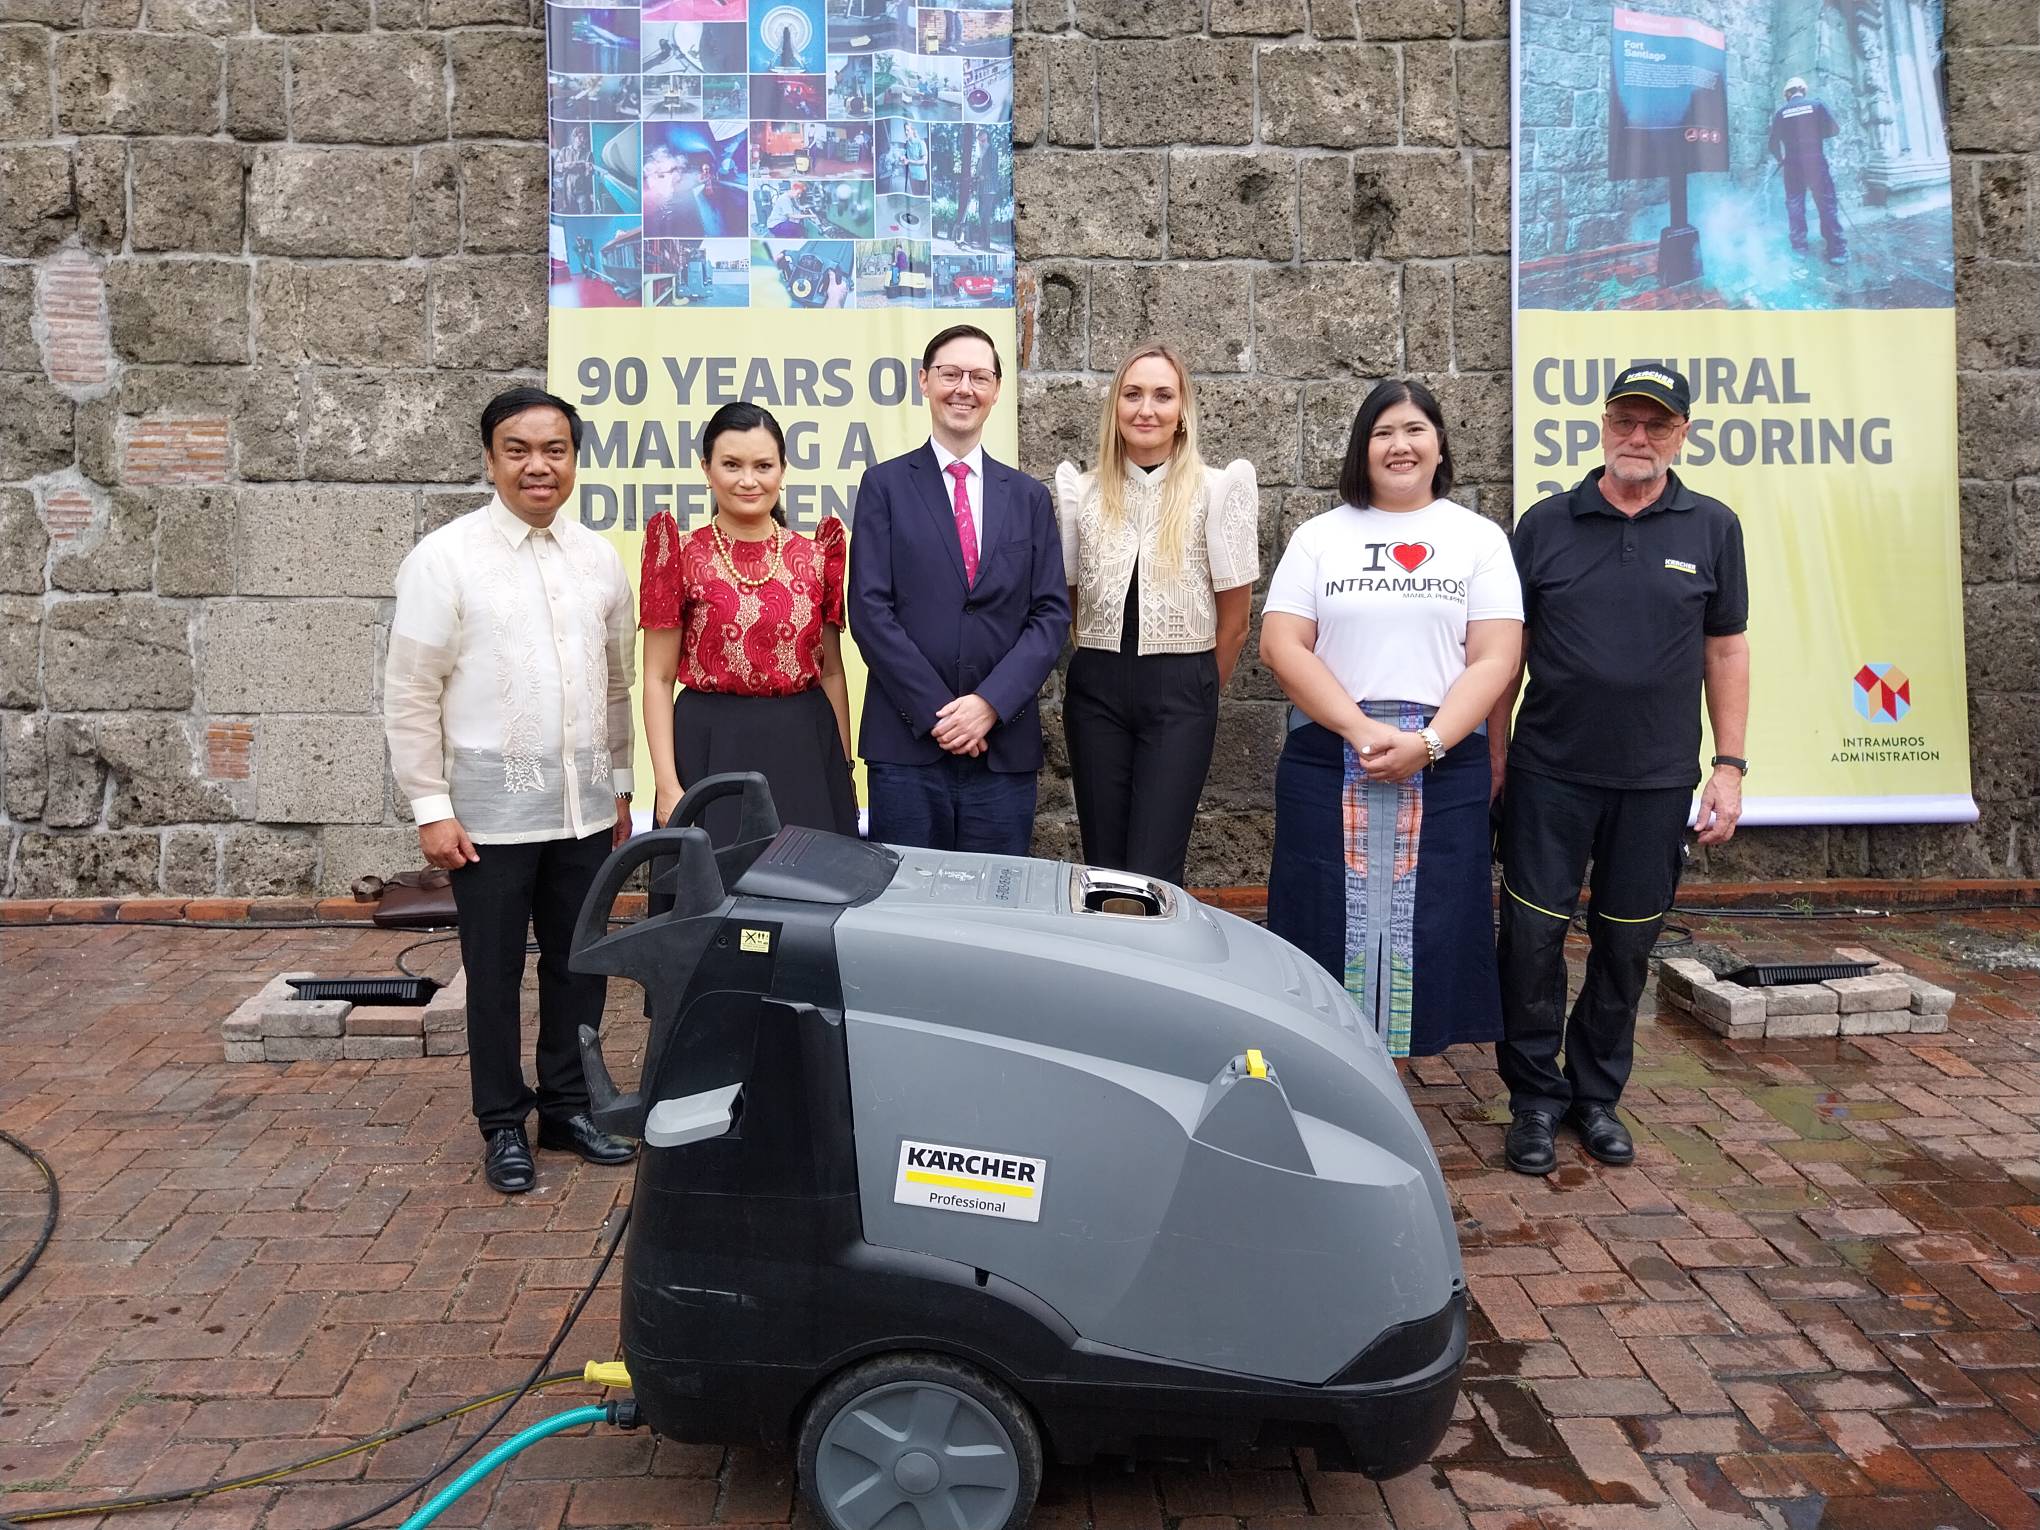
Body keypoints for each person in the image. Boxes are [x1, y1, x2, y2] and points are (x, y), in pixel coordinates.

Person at [1491, 364, 1750, 1176]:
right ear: (1603, 425)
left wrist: (1730, 767)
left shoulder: (1711, 527)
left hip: (1657, 779)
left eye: (1657, 425)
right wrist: (1495, 758)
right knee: (1531, 939)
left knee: (1625, 946)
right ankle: (1534, 1098)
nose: (1638, 438)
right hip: (1549, 774)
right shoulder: (1543, 525)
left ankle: (1596, 1096)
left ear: (1682, 435)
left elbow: (1726, 647)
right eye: (1625, 422)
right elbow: (1508, 656)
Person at [384, 387, 640, 1195]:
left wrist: (622, 785)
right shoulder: (445, 559)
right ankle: (502, 1123)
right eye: (519, 450)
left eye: (555, 449)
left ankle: (567, 1108)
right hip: (487, 815)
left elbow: (616, 686)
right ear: (491, 459)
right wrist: (431, 806)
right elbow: (410, 693)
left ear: (574, 457)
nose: (539, 465)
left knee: (578, 965)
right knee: (491, 973)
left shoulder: (598, 558)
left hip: (585, 806)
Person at [1260, 379, 1522, 1061]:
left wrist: (1429, 742)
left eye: (1414, 430)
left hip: (1443, 757)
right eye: (1383, 432)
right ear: (1361, 447)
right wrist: (1355, 727)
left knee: (1433, 916)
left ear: (1439, 445)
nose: (1399, 445)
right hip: (1330, 754)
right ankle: (1327, 1063)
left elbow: (1496, 657)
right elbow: (1282, 645)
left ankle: (1398, 1066)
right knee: (1320, 908)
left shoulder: (1477, 539)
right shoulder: (1321, 538)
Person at [847, 324, 1069, 854]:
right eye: (950, 374)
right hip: (907, 745)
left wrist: (989, 705)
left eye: (978, 376)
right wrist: (940, 714)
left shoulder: (1028, 498)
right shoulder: (885, 487)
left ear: (995, 390)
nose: (963, 388)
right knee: (904, 914)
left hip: (1001, 745)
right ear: (925, 381)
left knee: (992, 916)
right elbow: (870, 612)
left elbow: (1050, 617)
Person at [1052, 343, 1259, 887]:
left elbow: (1235, 620)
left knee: (1153, 868)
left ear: (1182, 409)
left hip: (1182, 690)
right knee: (1102, 863)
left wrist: (1198, 689)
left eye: (1163, 395)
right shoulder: (1084, 492)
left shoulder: (1217, 489)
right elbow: (1071, 598)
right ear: (1115, 407)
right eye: (1133, 394)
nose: (1147, 409)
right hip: (1096, 687)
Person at [640, 401, 855, 848]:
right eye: (732, 465)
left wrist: (843, 766)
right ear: (707, 468)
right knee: (711, 893)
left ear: (782, 469)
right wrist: (666, 783)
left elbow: (832, 671)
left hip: (804, 746)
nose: (748, 480)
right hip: (709, 745)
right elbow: (658, 679)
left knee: (807, 894)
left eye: (763, 465)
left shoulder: (816, 556)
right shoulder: (680, 554)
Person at [1767, 76, 1847, 265]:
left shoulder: (1781, 112)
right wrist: (1816, 135)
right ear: (1803, 90)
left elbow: (1772, 144)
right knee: (1826, 205)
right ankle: (1837, 252)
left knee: (1795, 205)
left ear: (1787, 94)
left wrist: (1781, 159)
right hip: (1816, 162)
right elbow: (1834, 130)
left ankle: (1799, 249)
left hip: (1793, 165)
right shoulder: (1817, 105)